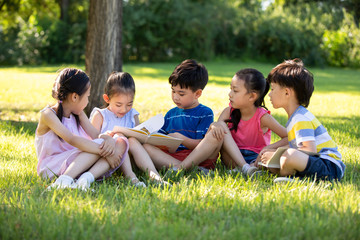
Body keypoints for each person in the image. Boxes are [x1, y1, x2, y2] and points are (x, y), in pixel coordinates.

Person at [172, 68, 288, 177]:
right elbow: (215, 132)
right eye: (230, 89)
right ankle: (244, 168)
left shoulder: (263, 117)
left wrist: (269, 148)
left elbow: (288, 137)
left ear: (252, 96)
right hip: (231, 157)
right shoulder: (229, 112)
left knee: (221, 126)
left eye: (235, 90)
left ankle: (245, 168)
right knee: (220, 126)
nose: (230, 94)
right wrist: (214, 125)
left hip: (255, 159)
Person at [35, 68, 129, 190]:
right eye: (87, 96)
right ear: (75, 97)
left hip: (79, 161)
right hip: (53, 167)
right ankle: (63, 181)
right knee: (101, 146)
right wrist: (107, 151)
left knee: (119, 141)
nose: (88, 100)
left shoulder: (78, 113)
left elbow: (96, 135)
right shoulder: (48, 115)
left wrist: (109, 140)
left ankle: (85, 180)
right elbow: (72, 139)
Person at [261, 58, 345, 181]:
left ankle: (290, 177)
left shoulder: (300, 118)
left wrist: (276, 156)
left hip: (329, 166)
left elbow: (308, 150)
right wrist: (270, 150)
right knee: (275, 162)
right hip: (313, 163)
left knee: (289, 156)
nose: (269, 94)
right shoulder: (295, 117)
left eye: (272, 89)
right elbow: (293, 144)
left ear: (286, 93)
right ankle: (291, 176)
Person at [90, 71, 167, 187]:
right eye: (118, 105)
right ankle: (131, 177)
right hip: (107, 158)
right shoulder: (100, 115)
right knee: (120, 138)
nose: (124, 110)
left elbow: (137, 136)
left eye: (129, 104)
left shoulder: (133, 115)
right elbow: (92, 140)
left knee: (131, 141)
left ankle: (154, 175)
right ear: (107, 99)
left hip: (131, 160)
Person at [143, 59, 217, 171]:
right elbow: (159, 139)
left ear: (197, 93)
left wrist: (181, 139)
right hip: (172, 157)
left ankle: (183, 167)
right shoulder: (170, 114)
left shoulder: (205, 113)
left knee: (215, 136)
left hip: (196, 157)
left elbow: (204, 145)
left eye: (181, 93)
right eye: (173, 91)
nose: (175, 97)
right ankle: (186, 169)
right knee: (146, 147)